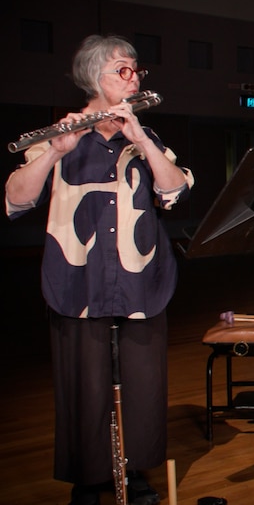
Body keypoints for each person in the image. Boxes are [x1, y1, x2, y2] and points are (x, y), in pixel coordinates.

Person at [5, 34, 194, 505]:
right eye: (122, 70)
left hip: (141, 278)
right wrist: (54, 150)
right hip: (77, 279)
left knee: (144, 385)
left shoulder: (144, 137)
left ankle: (134, 474)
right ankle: (89, 482)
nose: (133, 79)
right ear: (95, 77)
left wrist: (142, 142)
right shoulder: (62, 134)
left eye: (136, 71)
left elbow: (175, 192)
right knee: (84, 385)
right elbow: (15, 199)